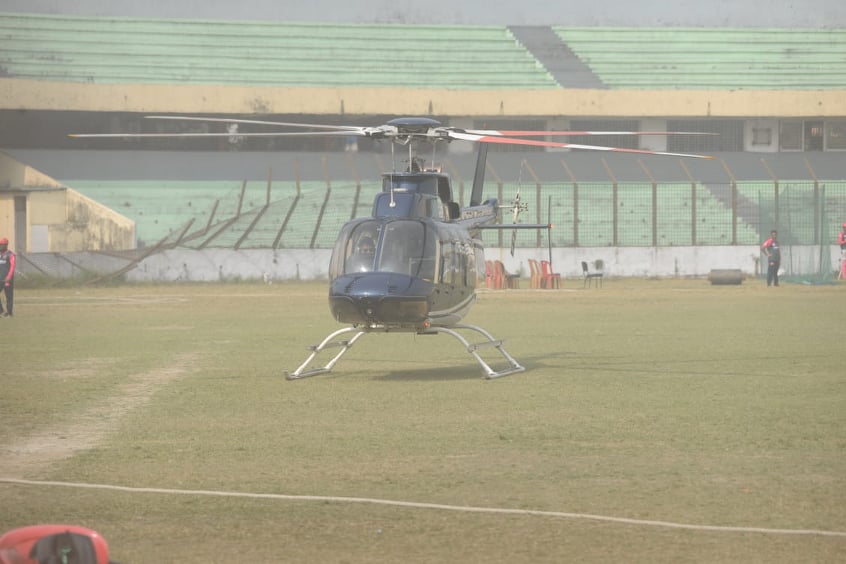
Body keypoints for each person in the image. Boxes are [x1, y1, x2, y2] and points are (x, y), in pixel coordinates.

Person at [0, 237, 15, 317]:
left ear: (6, 245)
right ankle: (1, 311)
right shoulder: (0, 255)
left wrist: (9, 277)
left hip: (7, 280)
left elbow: (12, 266)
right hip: (0, 279)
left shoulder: (10, 255)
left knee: (8, 296)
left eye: (1, 245)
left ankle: (9, 313)